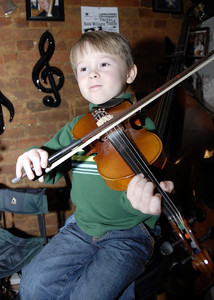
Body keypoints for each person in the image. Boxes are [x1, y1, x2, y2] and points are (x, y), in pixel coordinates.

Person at [16, 31, 174, 300]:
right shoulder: (77, 128)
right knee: (31, 285)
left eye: (104, 64)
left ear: (130, 73)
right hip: (81, 226)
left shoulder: (141, 130)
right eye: (84, 68)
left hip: (129, 233)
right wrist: (35, 157)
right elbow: (51, 164)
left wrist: (141, 202)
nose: (92, 74)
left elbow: (135, 189)